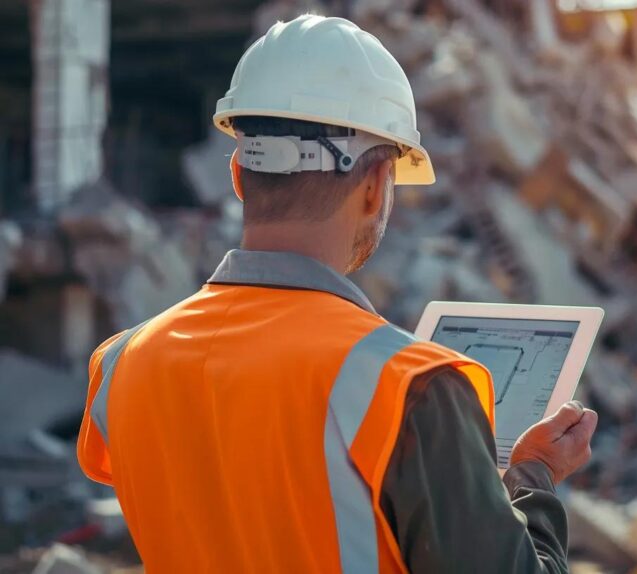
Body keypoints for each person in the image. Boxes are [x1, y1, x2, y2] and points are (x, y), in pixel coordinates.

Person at [76, 14, 598, 574]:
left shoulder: (122, 365)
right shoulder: (412, 388)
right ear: (374, 187)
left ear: (236, 173)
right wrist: (534, 475)